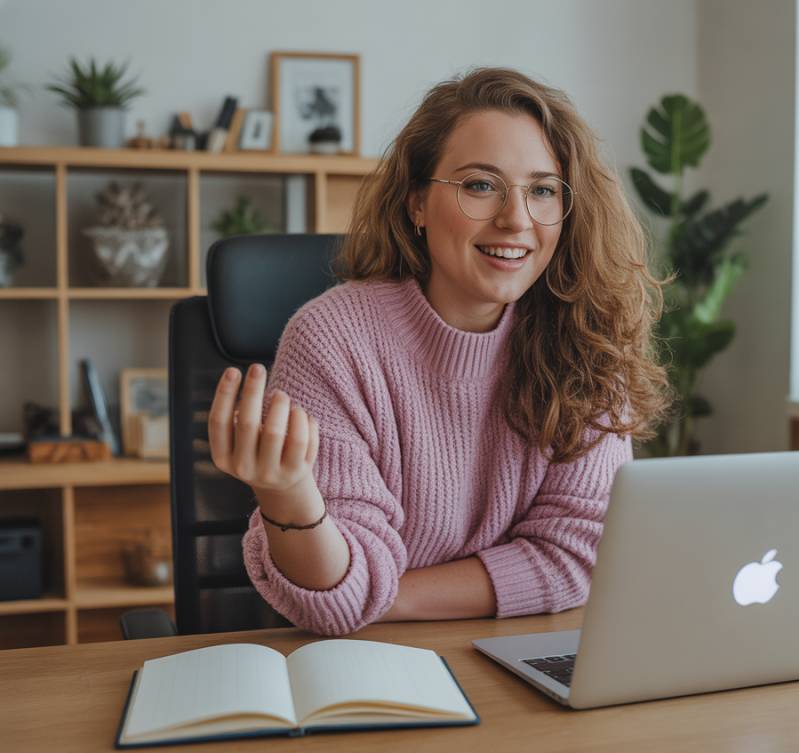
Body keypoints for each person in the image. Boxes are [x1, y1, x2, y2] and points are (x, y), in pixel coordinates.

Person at [207, 67, 672, 637]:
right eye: (481, 184)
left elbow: (578, 557)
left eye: (543, 190)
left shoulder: (588, 336)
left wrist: (373, 597)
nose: (516, 219)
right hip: (367, 665)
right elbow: (327, 595)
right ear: (417, 205)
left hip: (509, 652)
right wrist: (287, 495)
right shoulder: (333, 340)